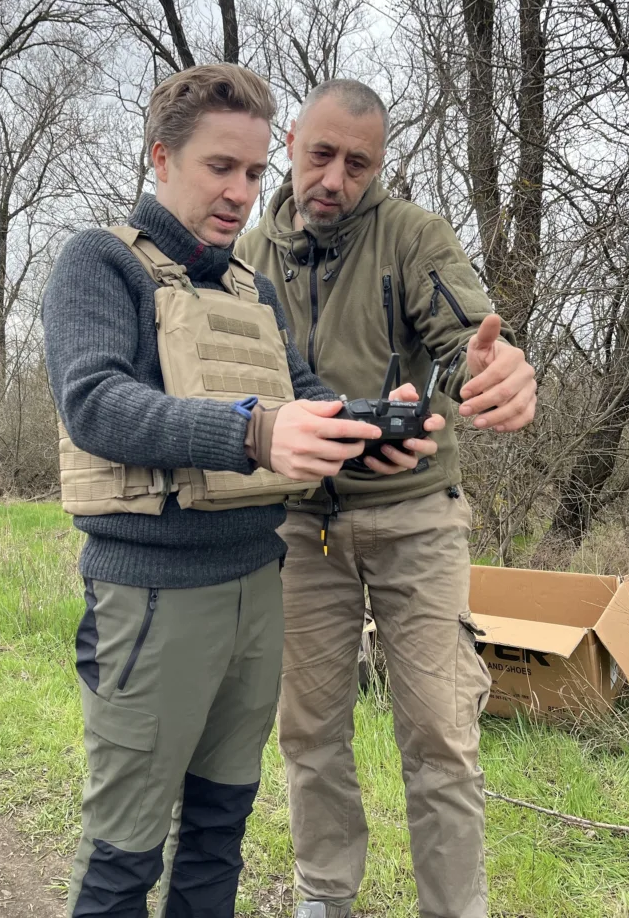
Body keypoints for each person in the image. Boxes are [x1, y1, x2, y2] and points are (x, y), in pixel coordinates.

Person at [42, 64, 445, 918]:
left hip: (259, 592)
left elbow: (305, 403)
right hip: (152, 597)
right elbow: (95, 404)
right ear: (161, 156)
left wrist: (370, 433)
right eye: (220, 168)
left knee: (221, 831)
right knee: (124, 853)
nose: (240, 192)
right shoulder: (98, 263)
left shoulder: (248, 289)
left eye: (257, 172)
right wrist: (255, 432)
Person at [235, 79, 537, 918]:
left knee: (442, 731)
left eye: (357, 164)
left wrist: (497, 370)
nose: (334, 178)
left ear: (378, 166)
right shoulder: (248, 258)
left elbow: (465, 342)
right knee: (309, 729)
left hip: (416, 519)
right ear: (292, 140)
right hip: (299, 525)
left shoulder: (414, 237)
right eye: (321, 154)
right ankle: (325, 896)